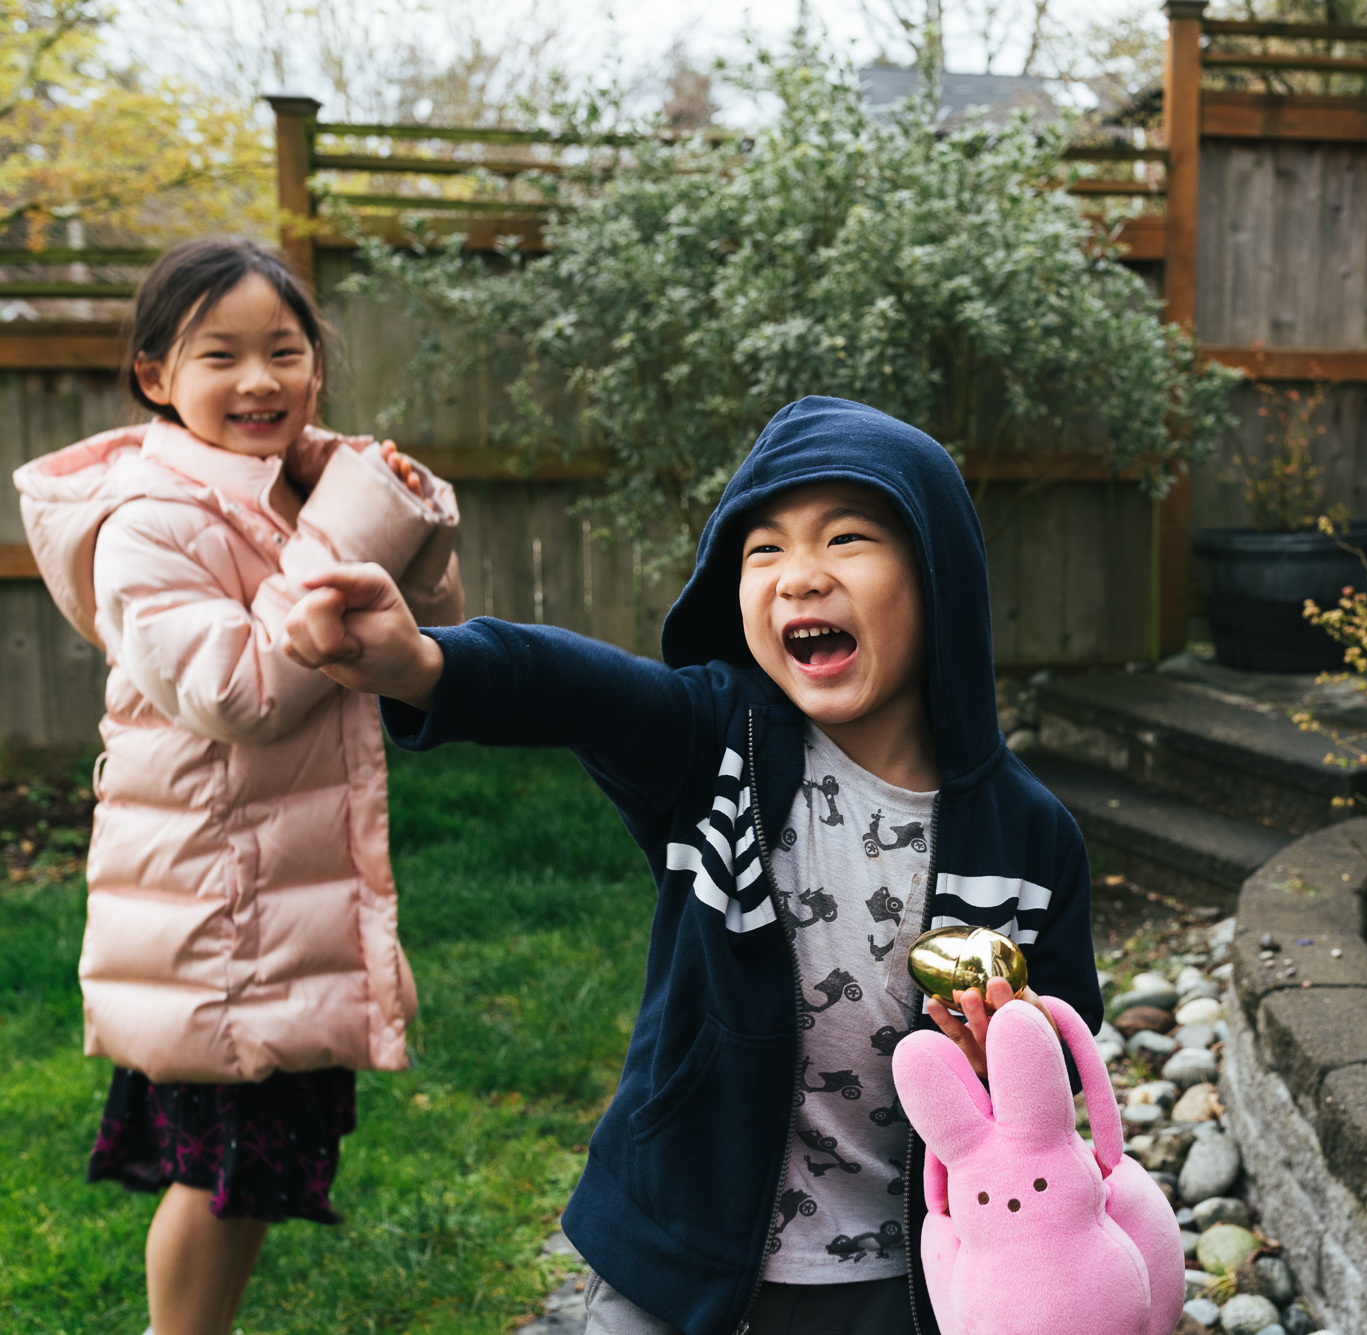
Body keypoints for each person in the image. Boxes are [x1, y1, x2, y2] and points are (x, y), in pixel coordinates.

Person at [280, 396, 1103, 1335]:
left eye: (847, 539)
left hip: (917, 1268)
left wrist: (1008, 1043)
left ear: (937, 575)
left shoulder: (1030, 839)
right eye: (764, 550)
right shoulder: (719, 744)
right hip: (680, 1247)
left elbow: (1067, 1041)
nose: (800, 577)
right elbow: (581, 690)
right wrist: (426, 664)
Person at [11, 237, 463, 1335]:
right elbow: (236, 692)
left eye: (285, 351)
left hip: (279, 894)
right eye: (221, 356)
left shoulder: (294, 492)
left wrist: (410, 525)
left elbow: (431, 643)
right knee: (223, 1171)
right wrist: (347, 528)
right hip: (218, 913)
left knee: (250, 1171)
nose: (260, 380)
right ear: (156, 377)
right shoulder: (150, 520)